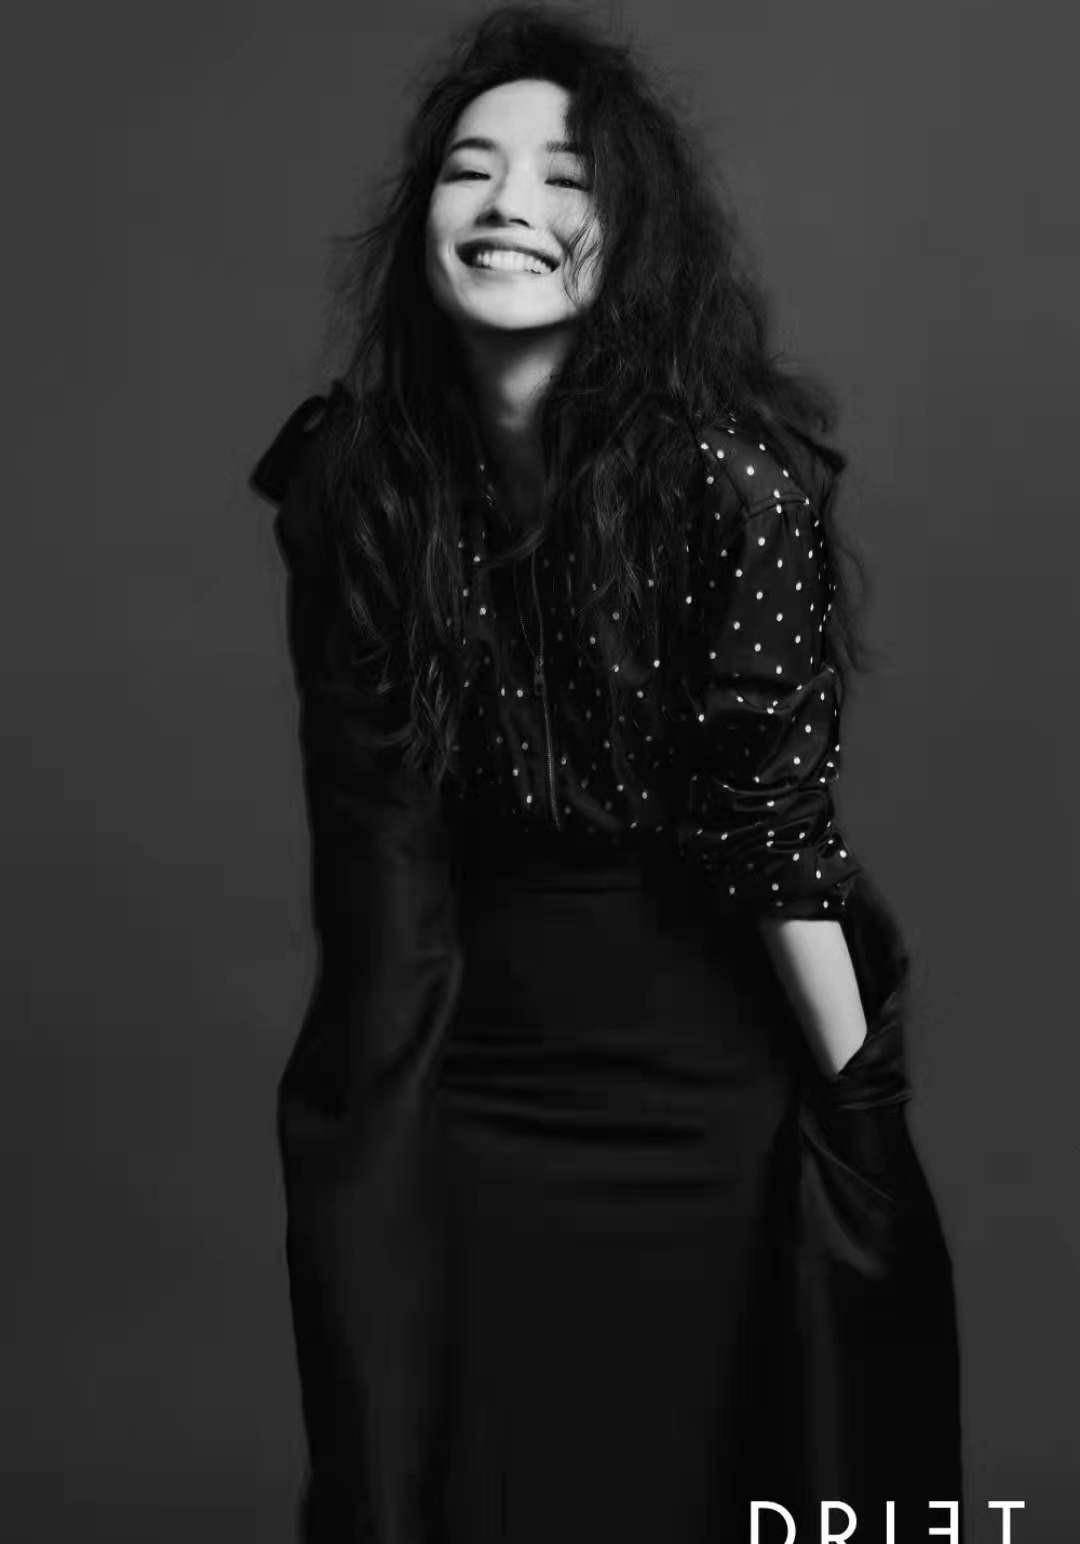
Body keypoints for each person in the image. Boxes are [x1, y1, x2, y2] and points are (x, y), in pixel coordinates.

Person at [250, 7, 963, 1541]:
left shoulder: (735, 479)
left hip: (704, 1090)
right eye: (470, 171)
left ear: (631, 239)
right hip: (471, 1083)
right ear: (419, 226)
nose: (509, 203)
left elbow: (775, 838)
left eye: (565, 180)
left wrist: (859, 1117)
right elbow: (374, 861)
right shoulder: (358, 486)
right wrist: (361, 1154)